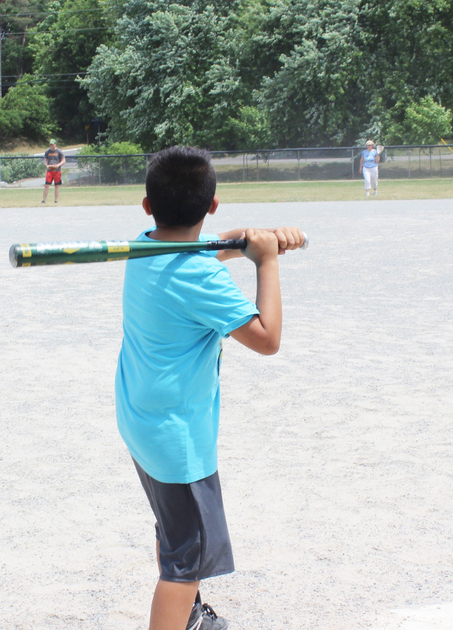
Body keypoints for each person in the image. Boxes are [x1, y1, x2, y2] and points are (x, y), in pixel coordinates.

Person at [116, 146, 305, 630]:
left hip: (143, 420)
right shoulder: (201, 277)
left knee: (174, 529)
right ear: (212, 203)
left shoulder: (144, 244)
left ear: (147, 206)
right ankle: (181, 610)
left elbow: (208, 245)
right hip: (178, 440)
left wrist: (250, 239)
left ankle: (192, 615)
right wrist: (266, 262)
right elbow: (267, 339)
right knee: (186, 562)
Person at [41, 139, 65, 204]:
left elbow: (63, 160)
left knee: (57, 186)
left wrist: (58, 165)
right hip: (50, 171)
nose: (51, 145)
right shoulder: (48, 151)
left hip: (57, 171)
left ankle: (56, 200)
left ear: (55, 144)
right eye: (50, 144)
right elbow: (45, 160)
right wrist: (47, 166)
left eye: (52, 144)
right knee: (46, 185)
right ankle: (44, 200)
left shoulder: (59, 151)